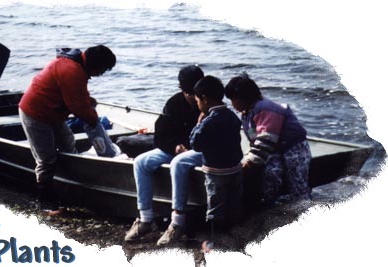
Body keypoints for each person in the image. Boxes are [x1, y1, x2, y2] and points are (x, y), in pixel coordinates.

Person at [18, 45, 117, 212]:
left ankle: (69, 185)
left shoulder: (77, 66)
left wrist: (88, 102)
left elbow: (76, 95)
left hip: (54, 113)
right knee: (47, 158)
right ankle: (45, 201)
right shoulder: (72, 70)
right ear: (96, 65)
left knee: (68, 143)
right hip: (35, 113)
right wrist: (94, 119)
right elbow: (77, 107)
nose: (101, 74)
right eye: (102, 70)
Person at [157, 75, 244, 246]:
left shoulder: (208, 121)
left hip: (216, 173)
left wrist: (198, 123)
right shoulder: (232, 116)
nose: (197, 104)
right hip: (235, 169)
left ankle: (214, 243)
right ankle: (234, 236)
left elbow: (195, 144)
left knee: (215, 209)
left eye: (197, 100)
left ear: (204, 99)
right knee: (233, 204)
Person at [124, 65, 204, 242]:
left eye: (196, 93)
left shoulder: (208, 101)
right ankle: (145, 219)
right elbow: (160, 135)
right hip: (177, 150)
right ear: (182, 90)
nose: (193, 98)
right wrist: (175, 146)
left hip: (200, 152)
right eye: (189, 93)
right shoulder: (174, 103)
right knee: (141, 162)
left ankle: (177, 222)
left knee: (179, 163)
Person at [224, 72, 311, 209]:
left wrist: (248, 161)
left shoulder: (264, 108)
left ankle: (303, 208)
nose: (232, 104)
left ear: (244, 98)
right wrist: (248, 157)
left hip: (294, 148)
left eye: (233, 99)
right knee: (271, 174)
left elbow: (265, 140)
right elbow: (255, 140)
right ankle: (274, 205)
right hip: (275, 150)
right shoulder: (247, 113)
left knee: (297, 180)